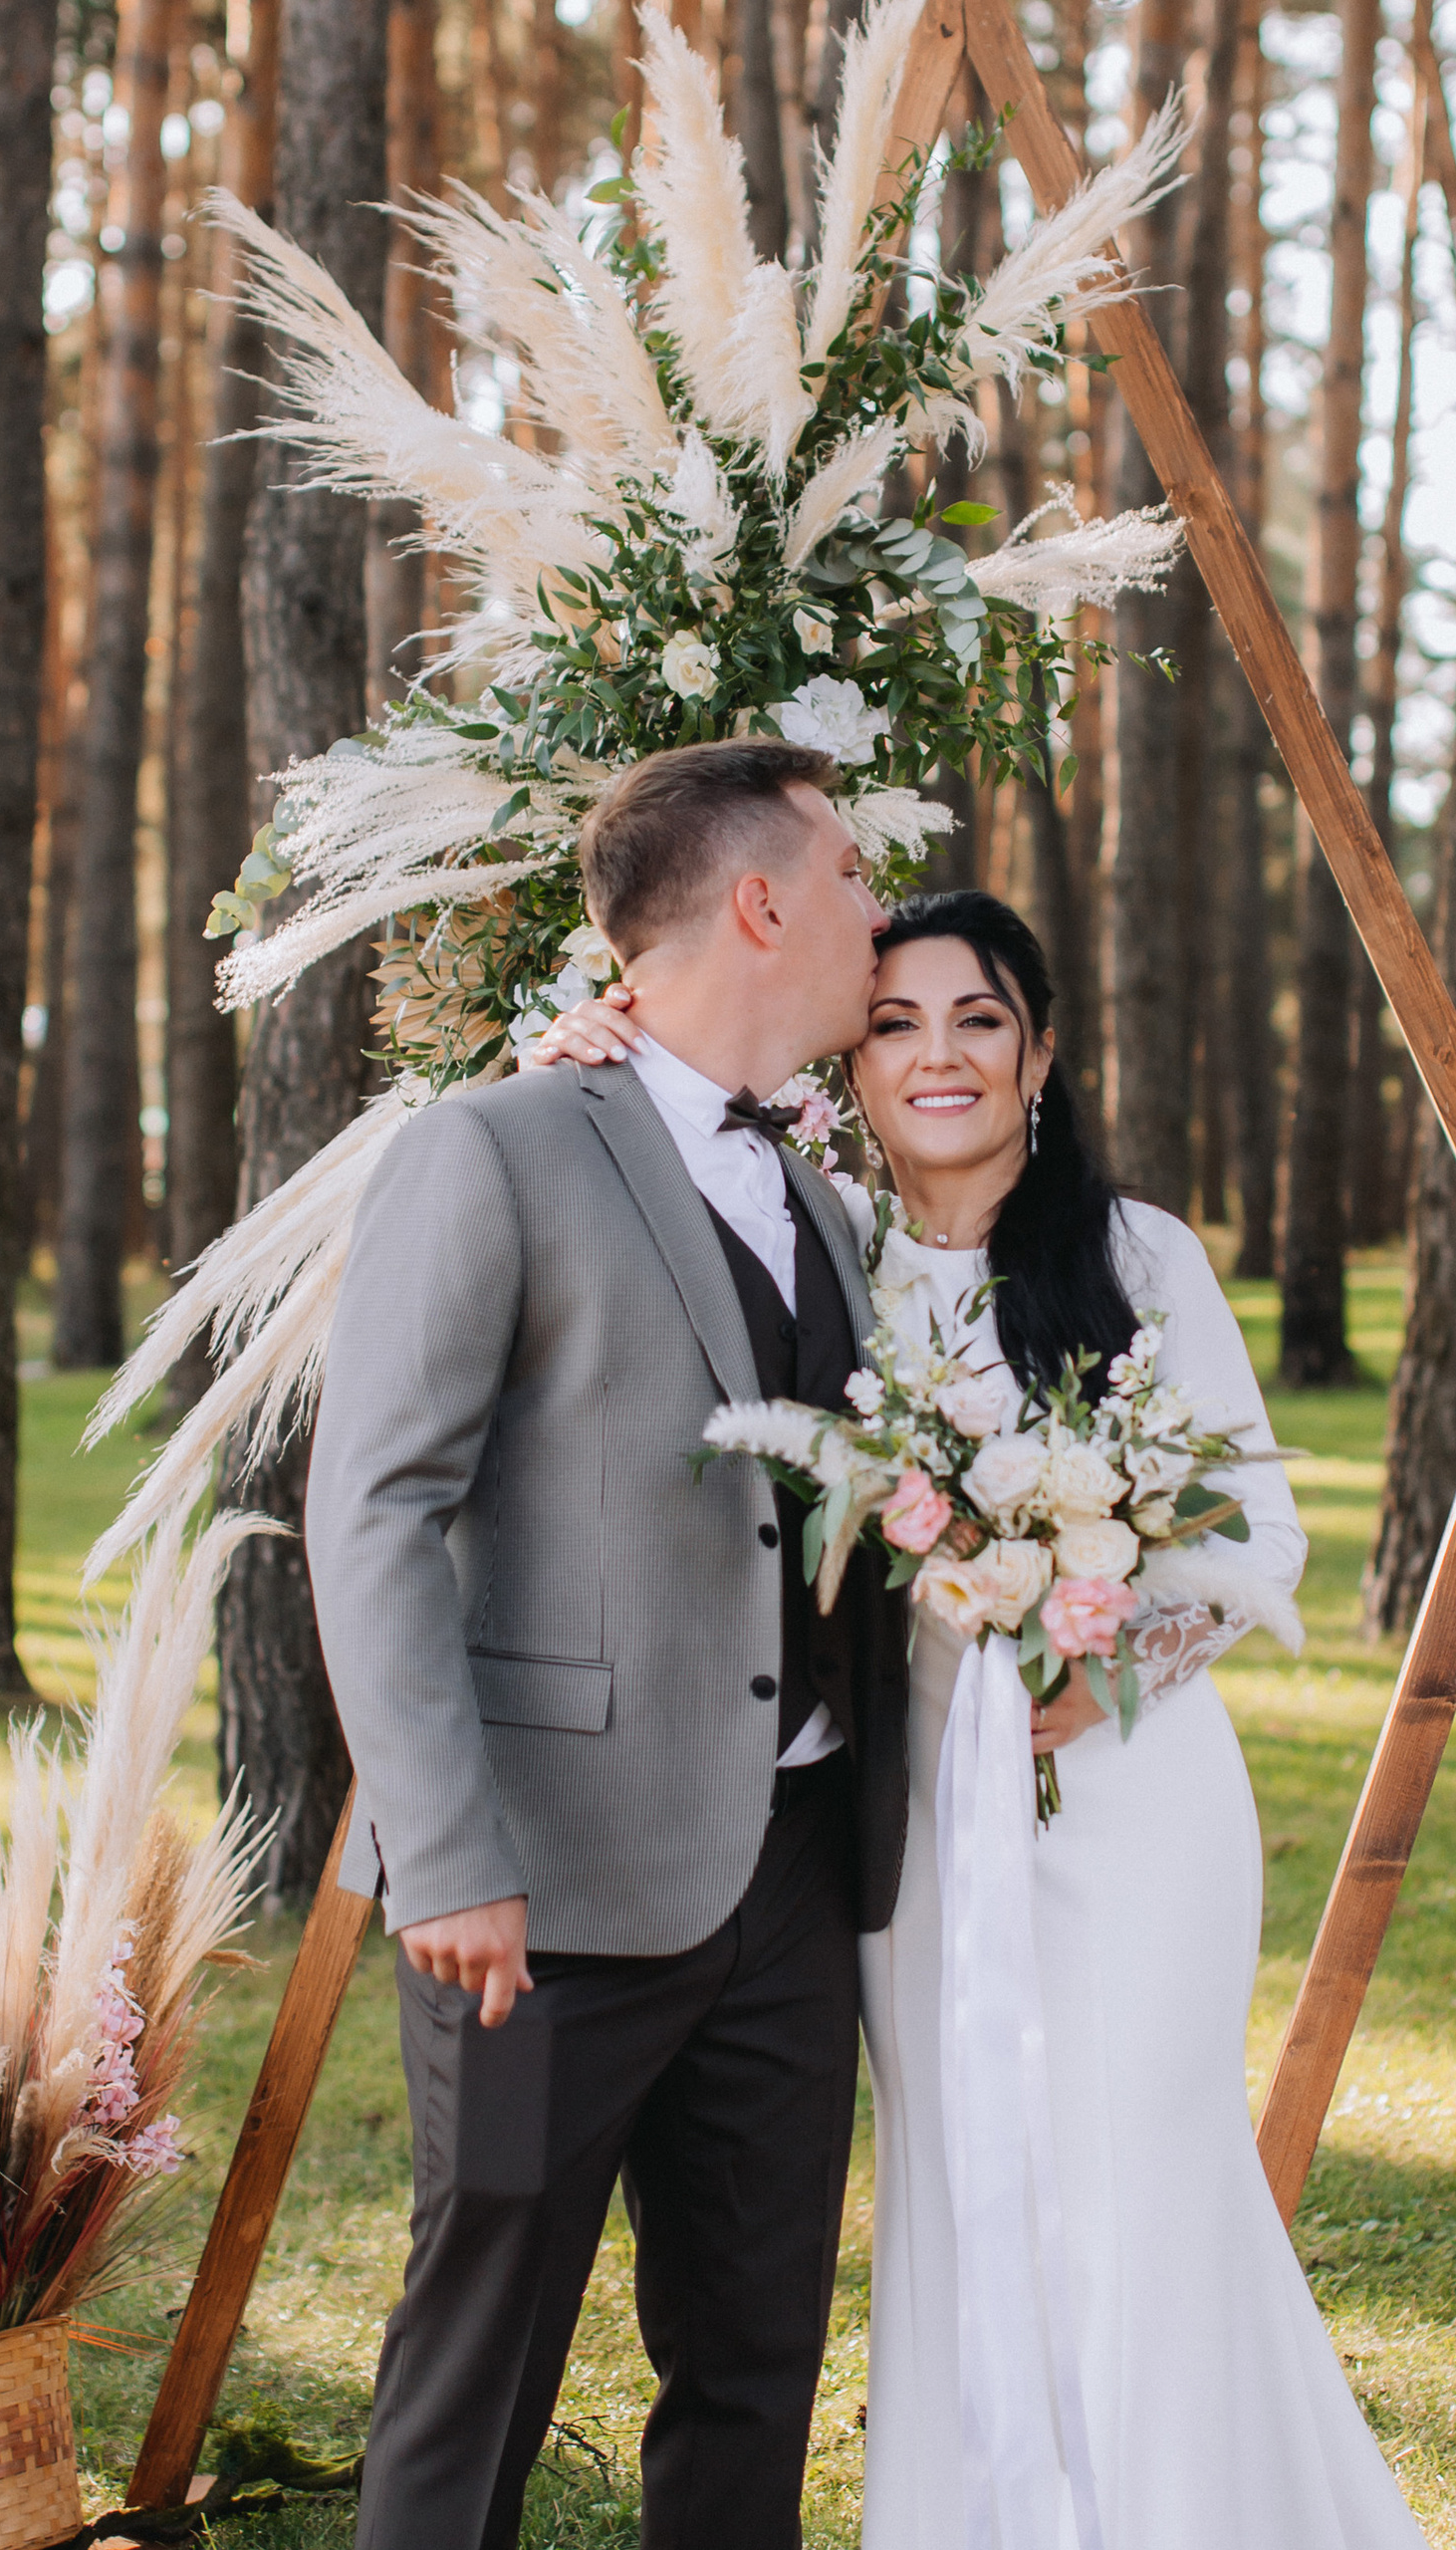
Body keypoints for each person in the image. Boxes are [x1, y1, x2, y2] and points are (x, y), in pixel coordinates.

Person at [531, 889, 1429, 2549]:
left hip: (1135, 1805)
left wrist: (1110, 1658)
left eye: (979, 1021)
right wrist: (596, 1040)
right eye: (895, 1023)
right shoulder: (825, 1259)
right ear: (850, 1065)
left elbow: (1266, 1540)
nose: (937, 1055)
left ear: (1040, 1057)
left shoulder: (1137, 1256)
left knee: (1143, 2182)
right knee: (962, 2194)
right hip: (920, 1833)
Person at [304, 737, 911, 2550]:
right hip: (539, 1897)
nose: (878, 913)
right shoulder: (489, 1146)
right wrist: (449, 1848)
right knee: (477, 2369)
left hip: (792, 1875)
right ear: (762, 900)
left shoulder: (824, 1205)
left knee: (752, 2367)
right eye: (857, 875)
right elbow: (374, 1510)